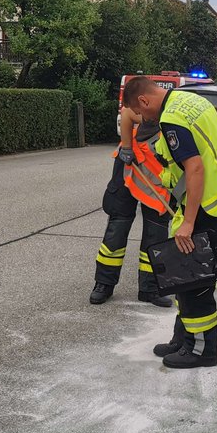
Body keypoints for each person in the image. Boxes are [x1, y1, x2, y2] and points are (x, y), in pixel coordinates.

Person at [122, 78, 217, 369]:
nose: (144, 119)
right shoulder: (189, 100)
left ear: (143, 101)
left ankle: (203, 350)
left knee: (195, 279)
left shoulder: (171, 119)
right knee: (185, 274)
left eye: (139, 113)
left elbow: (195, 167)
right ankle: (184, 339)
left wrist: (188, 222)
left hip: (211, 204)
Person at [89, 103, 175, 308]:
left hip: (157, 181)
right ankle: (104, 284)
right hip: (130, 167)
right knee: (117, 227)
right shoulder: (159, 112)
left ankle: (150, 288)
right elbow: (127, 113)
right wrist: (127, 148)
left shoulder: (183, 132)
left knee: (157, 232)